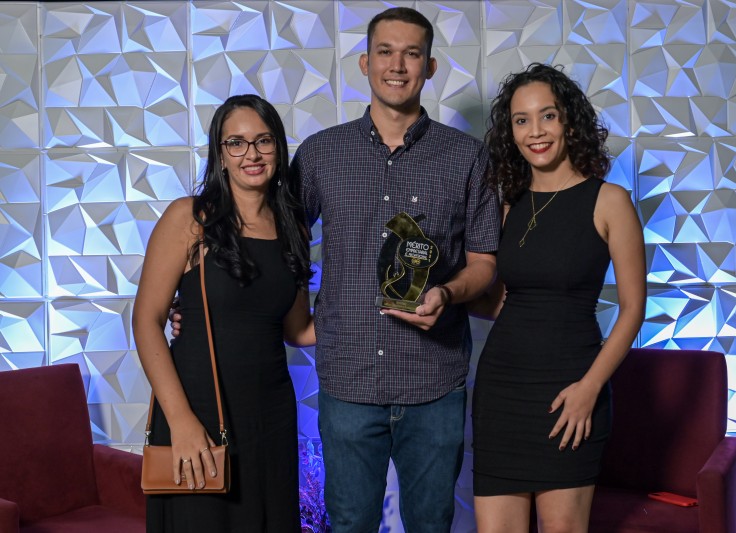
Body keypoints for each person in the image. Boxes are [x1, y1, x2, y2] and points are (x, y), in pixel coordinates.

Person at [290, 7, 501, 532]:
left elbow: (484, 263)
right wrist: (295, 322)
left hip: (435, 380)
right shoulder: (320, 154)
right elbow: (281, 246)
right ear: (365, 63)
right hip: (348, 378)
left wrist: (448, 293)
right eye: (385, 52)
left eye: (412, 54)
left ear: (430, 67)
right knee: (350, 524)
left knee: (431, 524)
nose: (398, 65)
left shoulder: (467, 157)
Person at [469, 63, 646, 533]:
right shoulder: (508, 204)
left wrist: (590, 389)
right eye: (521, 120)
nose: (535, 131)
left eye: (547, 115)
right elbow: (502, 302)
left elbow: (633, 310)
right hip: (501, 392)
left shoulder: (610, 201)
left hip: (571, 389)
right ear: (510, 132)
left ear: (569, 121)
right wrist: (442, 292)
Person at [133, 94, 314, 532]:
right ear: (220, 154)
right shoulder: (190, 218)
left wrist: (375, 304)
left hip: (271, 416)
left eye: (263, 141)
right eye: (237, 142)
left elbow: (299, 330)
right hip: (198, 410)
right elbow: (146, 321)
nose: (252, 154)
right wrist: (181, 422)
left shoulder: (293, 226)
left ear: (278, 149)